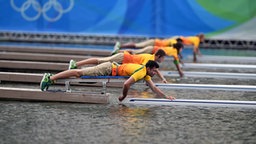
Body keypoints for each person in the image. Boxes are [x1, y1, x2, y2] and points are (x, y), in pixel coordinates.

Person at [40, 60, 175, 101]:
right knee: (78, 73)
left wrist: (166, 97)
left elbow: (153, 88)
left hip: (111, 67)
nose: (154, 73)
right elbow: (126, 84)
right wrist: (123, 96)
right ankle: (50, 78)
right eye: (154, 71)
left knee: (79, 73)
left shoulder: (146, 74)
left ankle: (52, 77)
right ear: (149, 68)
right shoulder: (142, 72)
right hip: (108, 69)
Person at [69, 49, 168, 83]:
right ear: (158, 56)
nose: (163, 60)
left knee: (100, 62)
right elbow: (144, 70)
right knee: (99, 61)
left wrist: (162, 78)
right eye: (163, 58)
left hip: (123, 61)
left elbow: (151, 70)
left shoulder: (152, 60)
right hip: (122, 58)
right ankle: (76, 64)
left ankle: (77, 65)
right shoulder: (149, 59)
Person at [112, 42, 184, 77]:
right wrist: (180, 71)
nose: (181, 51)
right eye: (181, 49)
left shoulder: (174, 51)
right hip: (152, 49)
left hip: (153, 49)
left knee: (135, 52)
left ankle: (119, 52)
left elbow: (177, 60)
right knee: (135, 51)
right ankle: (118, 50)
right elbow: (176, 63)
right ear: (179, 48)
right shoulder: (174, 52)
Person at [112, 37, 182, 51]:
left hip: (154, 44)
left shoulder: (172, 40)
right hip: (153, 42)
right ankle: (120, 46)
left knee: (137, 47)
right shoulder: (174, 41)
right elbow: (174, 47)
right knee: (137, 46)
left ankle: (120, 47)